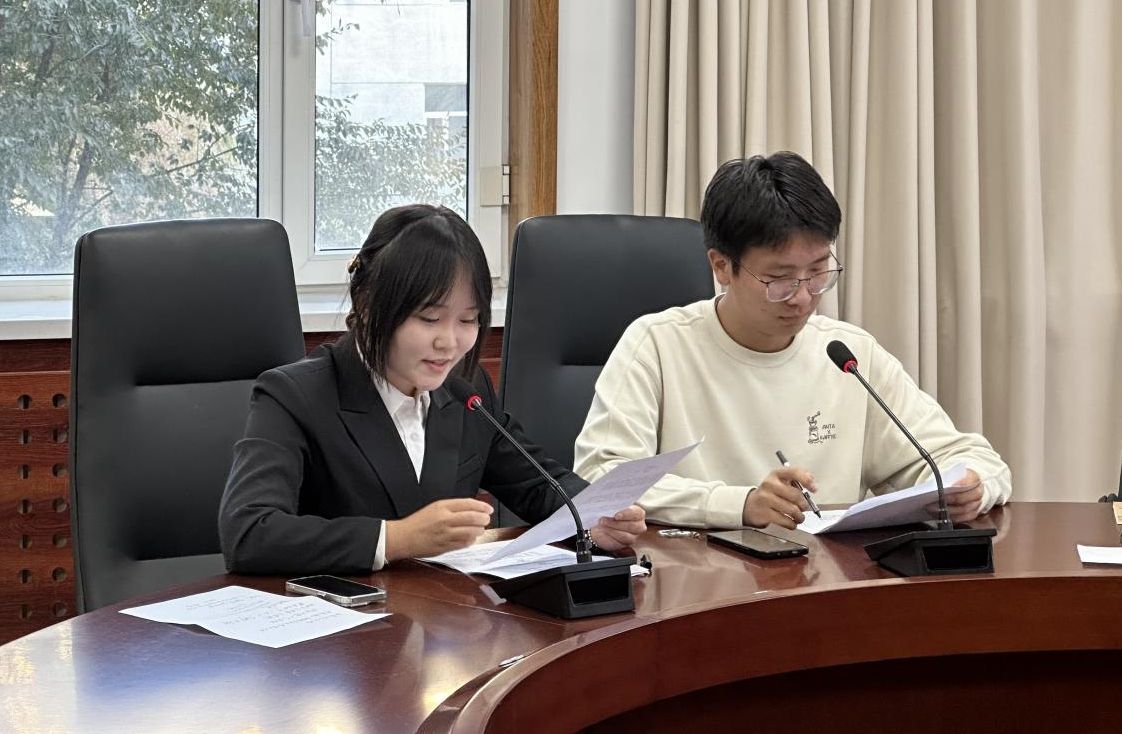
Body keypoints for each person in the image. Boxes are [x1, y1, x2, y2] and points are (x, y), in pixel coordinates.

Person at [574, 152, 1011, 531]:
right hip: (697, 582)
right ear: (721, 266)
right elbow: (601, 476)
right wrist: (739, 505)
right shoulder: (657, 345)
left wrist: (972, 485)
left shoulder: (848, 355)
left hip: (826, 581)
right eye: (779, 278)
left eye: (818, 272)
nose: (803, 297)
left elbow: (967, 457)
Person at [219, 204, 646, 574]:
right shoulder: (295, 396)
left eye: (468, 320)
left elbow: (536, 484)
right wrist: (398, 538)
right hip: (340, 628)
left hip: (445, 619)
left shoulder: (465, 390)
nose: (449, 342)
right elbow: (249, 532)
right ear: (367, 304)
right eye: (429, 319)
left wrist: (594, 515)